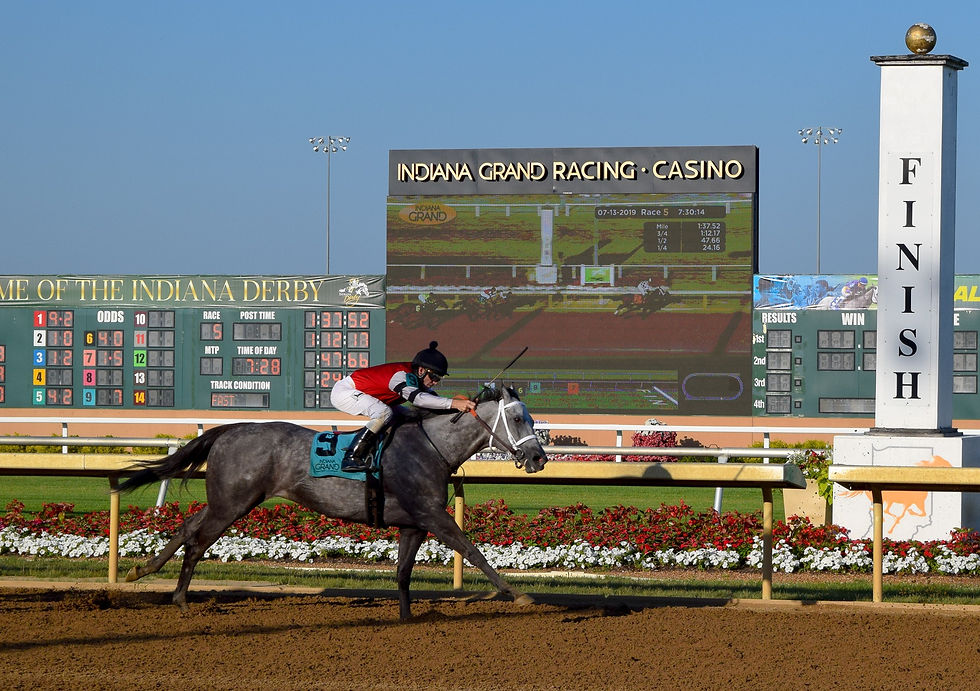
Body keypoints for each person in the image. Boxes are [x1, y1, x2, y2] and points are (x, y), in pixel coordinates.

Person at [329, 341, 476, 472]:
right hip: (346, 391)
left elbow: (433, 401)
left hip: (371, 396)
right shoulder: (400, 375)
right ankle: (352, 457)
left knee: (409, 416)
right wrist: (454, 403)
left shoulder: (416, 378)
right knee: (384, 413)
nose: (436, 382)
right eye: (434, 377)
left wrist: (457, 406)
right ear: (421, 371)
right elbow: (418, 400)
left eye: (439, 379)